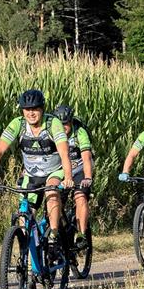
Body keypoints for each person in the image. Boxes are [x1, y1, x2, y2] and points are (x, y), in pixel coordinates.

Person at [0, 89, 74, 253]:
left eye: (35, 109)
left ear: (42, 109)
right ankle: (26, 251)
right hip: (31, 175)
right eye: (27, 109)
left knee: (51, 192)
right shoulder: (18, 124)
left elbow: (64, 153)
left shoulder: (53, 124)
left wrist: (68, 177)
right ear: (22, 110)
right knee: (24, 212)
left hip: (54, 171)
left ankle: (53, 235)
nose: (31, 113)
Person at [54, 105, 94, 249]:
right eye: (60, 124)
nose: (63, 127)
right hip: (61, 172)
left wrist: (88, 178)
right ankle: (56, 234)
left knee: (80, 196)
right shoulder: (52, 132)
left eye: (66, 123)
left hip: (79, 170)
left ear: (71, 122)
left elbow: (87, 158)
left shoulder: (79, 133)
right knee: (54, 201)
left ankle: (82, 234)